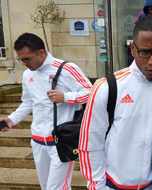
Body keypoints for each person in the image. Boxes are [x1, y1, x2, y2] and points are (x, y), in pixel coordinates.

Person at [79, 16, 152, 190]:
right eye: (145, 52)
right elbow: (89, 144)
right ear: (133, 49)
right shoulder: (107, 87)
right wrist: (97, 186)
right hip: (112, 185)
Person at [0, 33, 92, 190]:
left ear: (41, 52)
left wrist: (66, 97)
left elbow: (91, 93)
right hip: (37, 141)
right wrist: (11, 120)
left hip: (61, 142)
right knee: (46, 187)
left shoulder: (66, 68)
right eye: (21, 59)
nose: (24, 63)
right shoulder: (27, 74)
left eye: (27, 59)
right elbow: (28, 102)